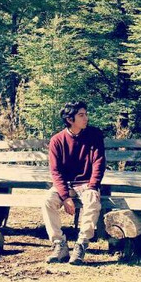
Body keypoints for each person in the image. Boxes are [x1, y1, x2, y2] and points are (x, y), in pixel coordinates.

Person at [42, 101, 106, 265]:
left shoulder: (95, 135)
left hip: (86, 184)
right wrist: (65, 197)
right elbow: (55, 172)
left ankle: (81, 245)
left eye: (86, 114)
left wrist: (93, 186)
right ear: (70, 119)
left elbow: (99, 163)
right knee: (48, 200)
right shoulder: (57, 140)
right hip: (66, 185)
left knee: (92, 201)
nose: (86, 118)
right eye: (81, 115)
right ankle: (59, 245)